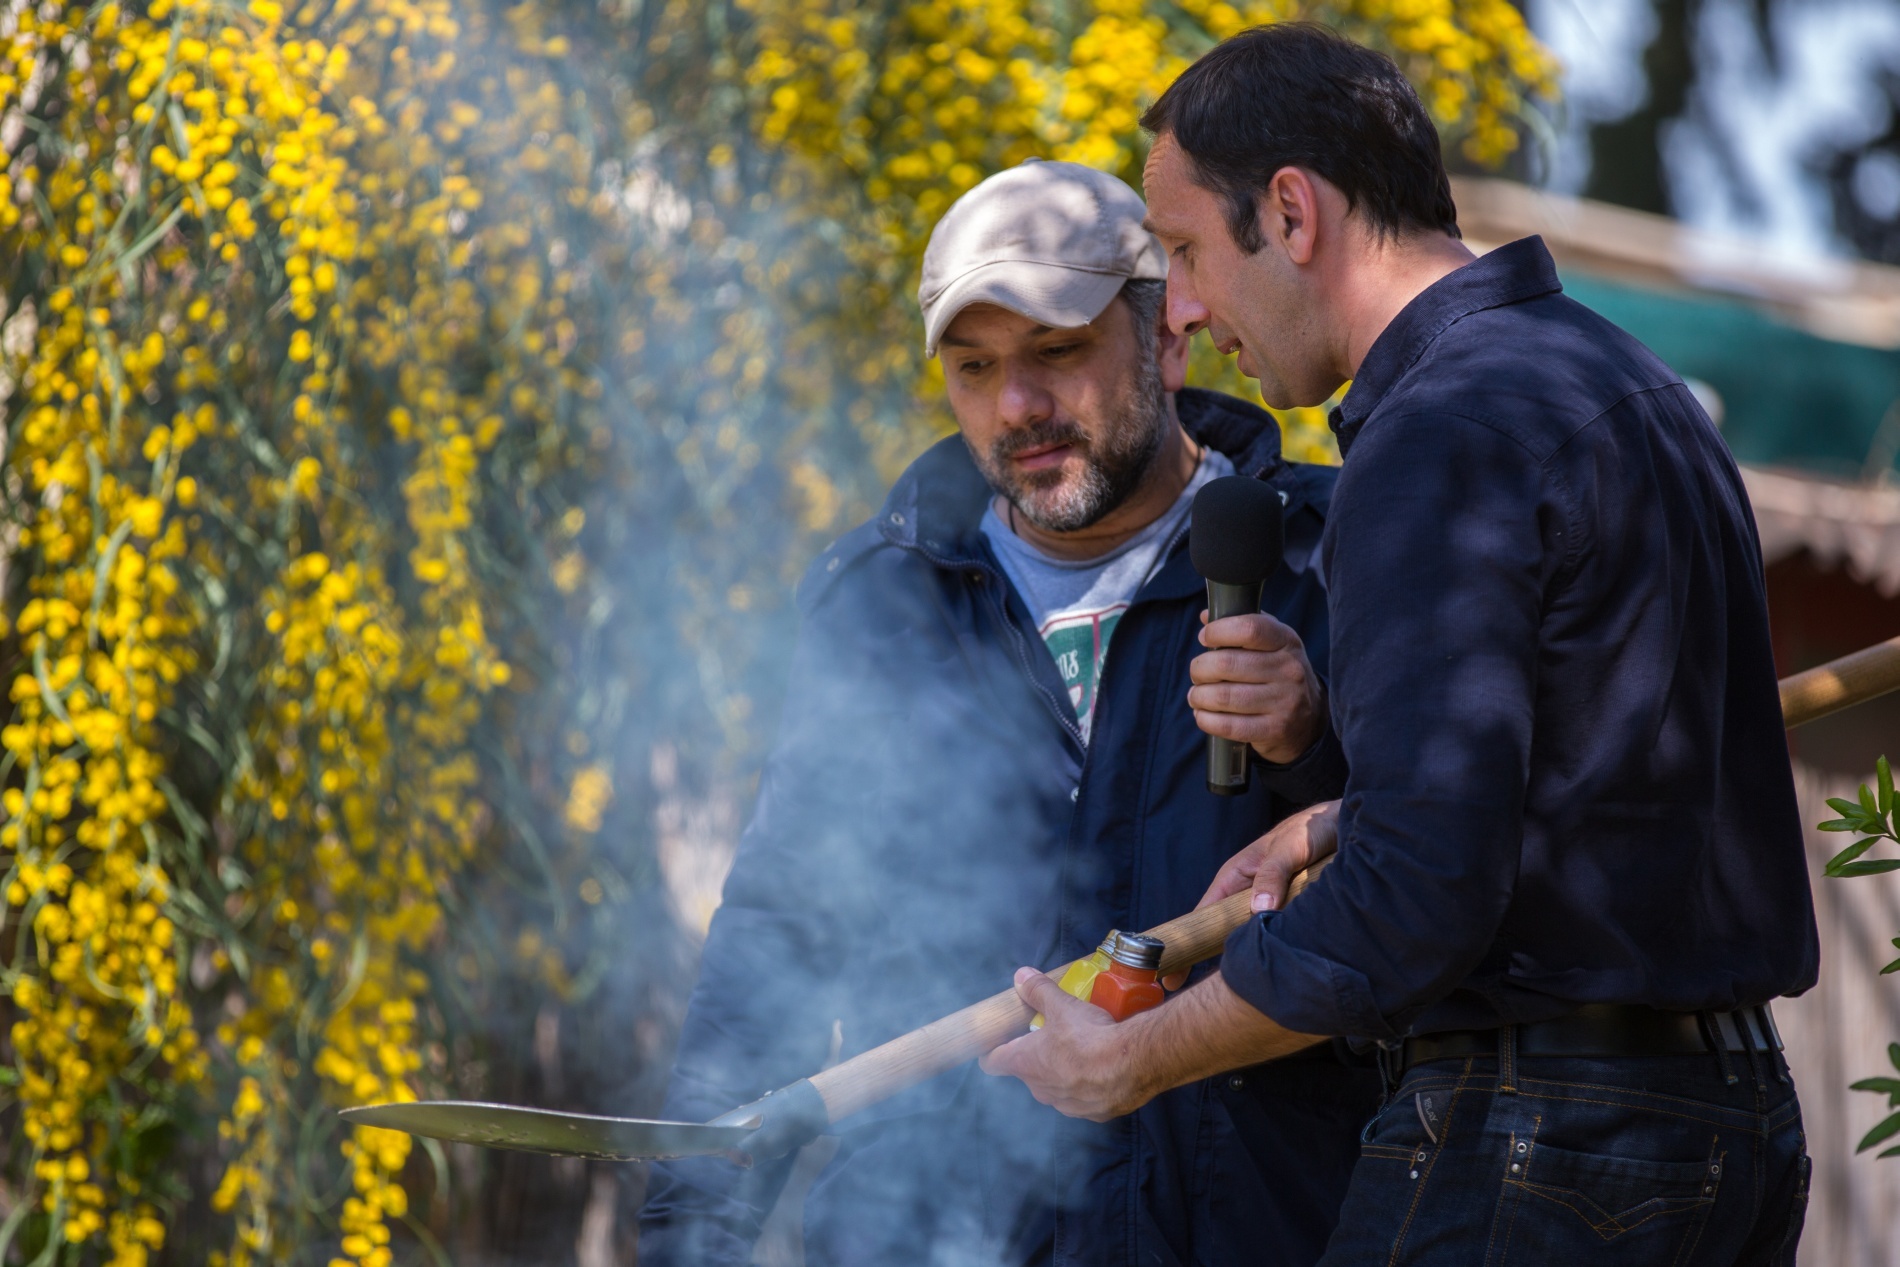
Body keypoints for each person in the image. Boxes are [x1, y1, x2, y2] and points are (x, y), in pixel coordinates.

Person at [982, 25, 1820, 1266]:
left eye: (1187, 252)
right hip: (1728, 1132)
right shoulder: (1623, 383)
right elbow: (1583, 776)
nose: (1192, 311)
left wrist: (1126, 1062)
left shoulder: (1434, 435)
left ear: (1291, 209)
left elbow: (1409, 907)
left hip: (1541, 1144)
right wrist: (1328, 782)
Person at [638, 158, 1380, 1266]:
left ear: (1169, 337)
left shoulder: (1326, 549)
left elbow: (1424, 875)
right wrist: (689, 1231)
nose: (1017, 406)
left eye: (1057, 352)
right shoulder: (880, 601)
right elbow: (785, 929)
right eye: (974, 367)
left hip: (1253, 1227)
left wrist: (1307, 742)